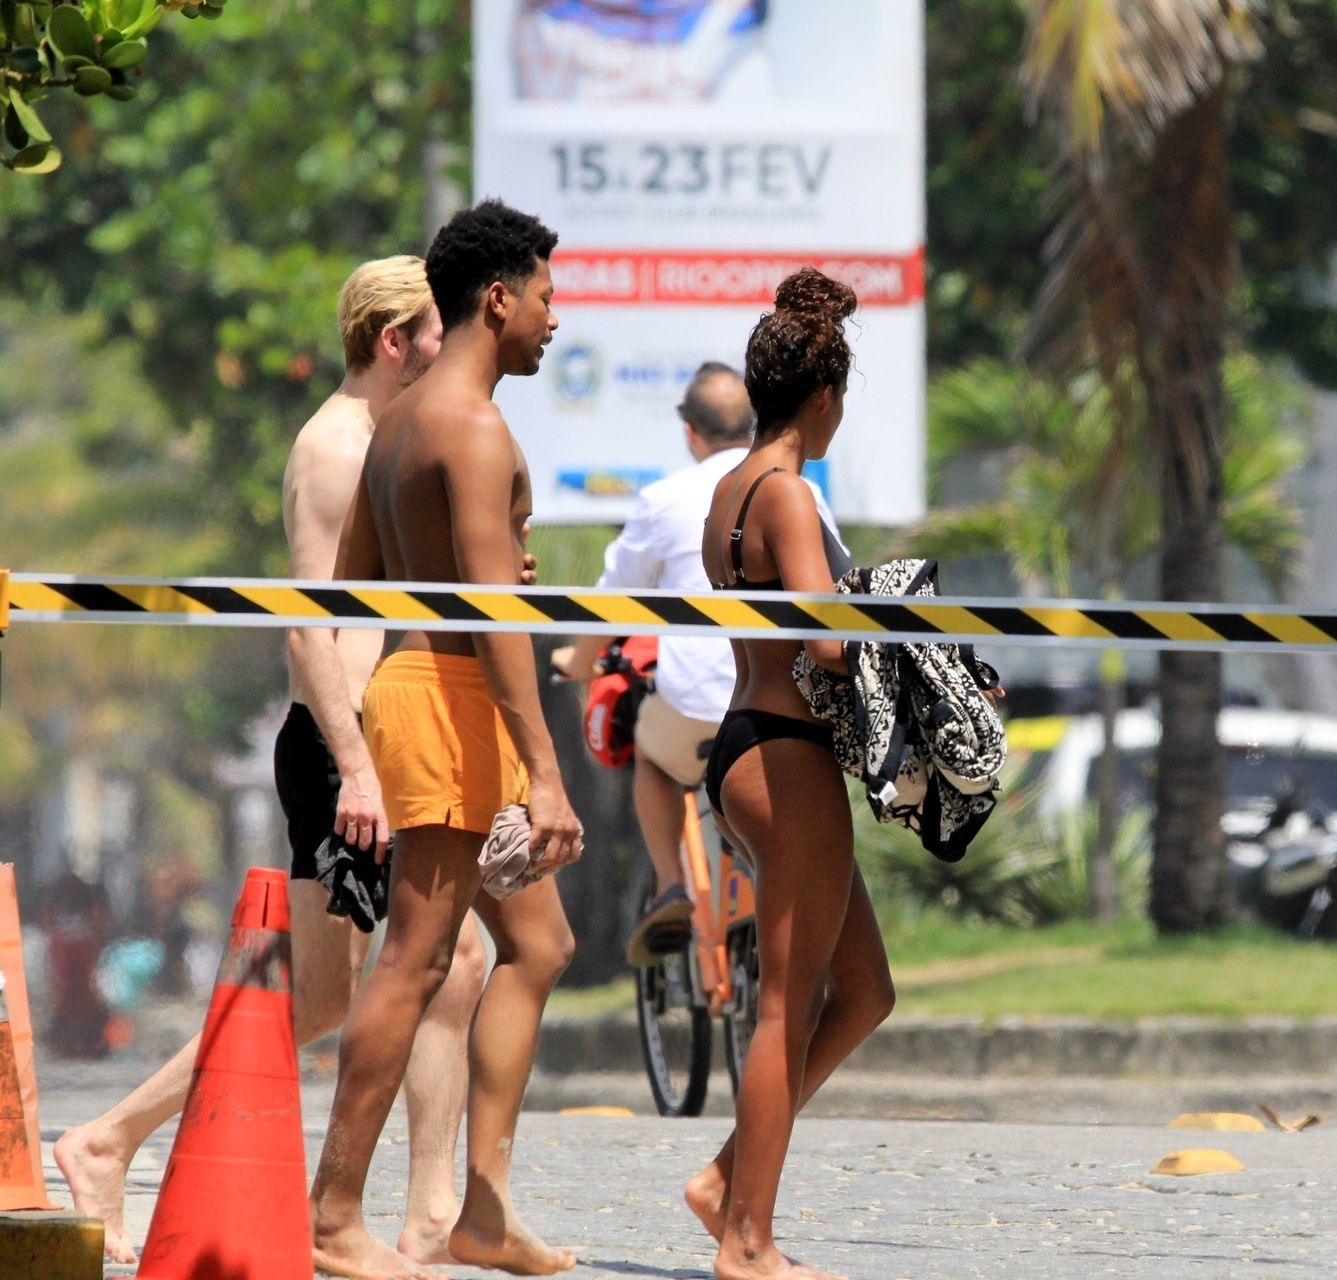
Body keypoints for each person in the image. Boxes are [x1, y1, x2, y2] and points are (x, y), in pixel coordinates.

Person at [53, 256, 493, 1268]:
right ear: (395, 341)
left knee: (349, 990)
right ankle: (414, 1214)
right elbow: (309, 627)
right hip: (345, 747)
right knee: (445, 960)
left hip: (370, 740)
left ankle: (111, 1138)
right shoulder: (337, 449)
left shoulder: (383, 440)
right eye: (440, 330)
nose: (454, 347)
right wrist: (359, 768)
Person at [307, 200, 584, 1280]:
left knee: (539, 945)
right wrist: (547, 772)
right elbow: (494, 620)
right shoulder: (470, 425)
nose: (556, 320)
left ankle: (484, 1212)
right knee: (414, 960)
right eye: (547, 297)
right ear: (499, 298)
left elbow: (357, 580)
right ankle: (334, 1217)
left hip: (429, 683)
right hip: (448, 696)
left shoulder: (401, 422)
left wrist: (478, 559)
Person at [685, 268, 893, 1280]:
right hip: (787, 753)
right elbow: (827, 645)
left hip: (742, 741)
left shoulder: (729, 489)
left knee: (865, 990)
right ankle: (748, 1240)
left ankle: (726, 1178)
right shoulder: (790, 494)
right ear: (823, 397)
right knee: (786, 1004)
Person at [559, 362, 841, 965]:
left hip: (697, 710)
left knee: (652, 756)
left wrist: (578, 662)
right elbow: (838, 597)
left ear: (690, 431)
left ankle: (671, 884)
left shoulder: (666, 499)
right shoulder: (800, 490)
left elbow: (610, 601)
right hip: (782, 711)